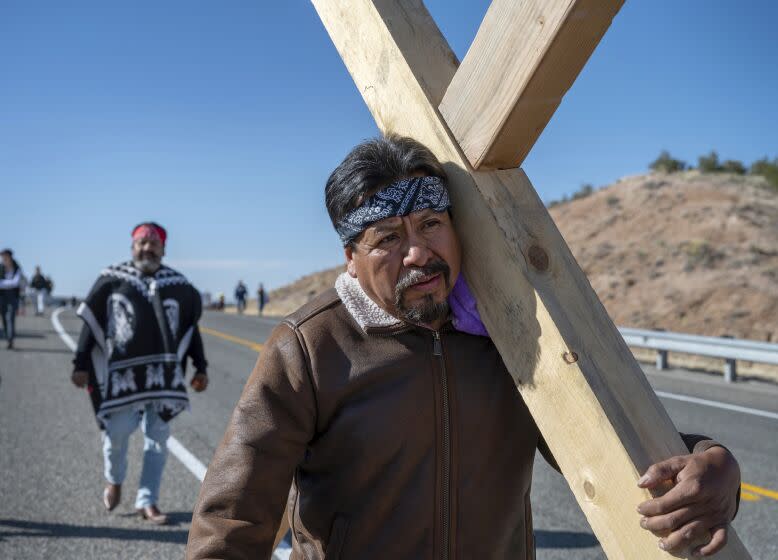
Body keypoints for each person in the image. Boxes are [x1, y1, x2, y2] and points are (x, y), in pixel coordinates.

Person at [187, 136, 741, 559]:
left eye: (431, 224)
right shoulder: (310, 346)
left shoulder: (514, 336)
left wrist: (714, 463)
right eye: (387, 238)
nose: (416, 253)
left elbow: (617, 448)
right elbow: (234, 516)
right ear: (350, 257)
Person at [71, 222, 210, 525]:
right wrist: (80, 363)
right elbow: (90, 323)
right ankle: (115, 479)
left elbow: (190, 329)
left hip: (164, 378)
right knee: (117, 435)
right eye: (141, 243)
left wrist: (201, 367)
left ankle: (148, 500)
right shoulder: (111, 280)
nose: (147, 249)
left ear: (163, 249)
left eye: (153, 244)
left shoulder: (180, 286)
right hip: (122, 378)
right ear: (132, 247)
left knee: (157, 440)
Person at [0, 249, 22, 349]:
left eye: (5, 256)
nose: (3, 258)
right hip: (2, 296)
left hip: (13, 296)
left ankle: (10, 339)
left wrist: (3, 283)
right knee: (4, 318)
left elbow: (16, 282)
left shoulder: (17, 268)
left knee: (10, 317)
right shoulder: (1, 268)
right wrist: (9, 283)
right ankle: (8, 337)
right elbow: (12, 283)